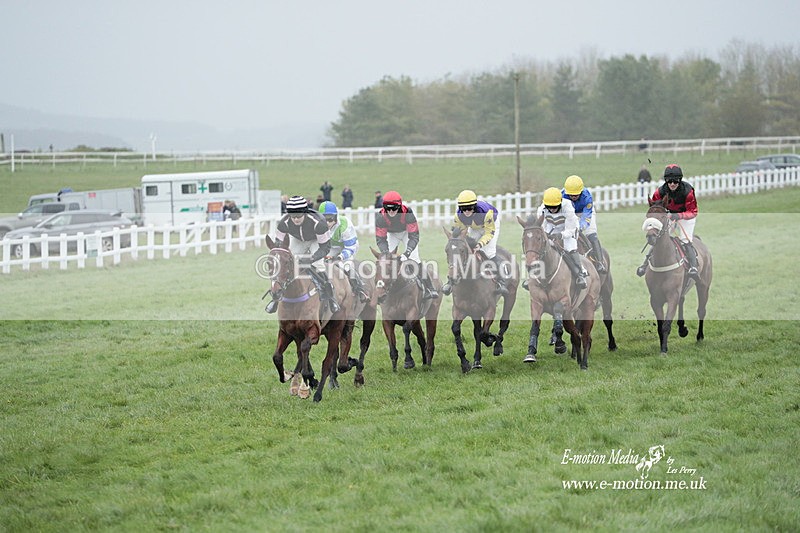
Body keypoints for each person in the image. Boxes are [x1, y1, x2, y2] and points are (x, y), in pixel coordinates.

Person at [264, 195, 340, 314]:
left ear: (305, 212)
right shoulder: (284, 223)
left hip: (316, 240)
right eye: (293, 216)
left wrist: (311, 259)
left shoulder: (319, 223)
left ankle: (331, 298)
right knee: (287, 265)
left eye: (299, 216)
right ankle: (276, 299)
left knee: (318, 265)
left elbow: (325, 248)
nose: (296, 219)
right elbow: (279, 245)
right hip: (297, 239)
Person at [442, 190, 508, 296]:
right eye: (464, 208)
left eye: (469, 207)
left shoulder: (486, 213)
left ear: (474, 206)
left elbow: (488, 233)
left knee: (489, 252)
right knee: (464, 250)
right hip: (474, 227)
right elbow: (459, 234)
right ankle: (451, 281)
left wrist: (480, 244)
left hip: (490, 227)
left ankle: (501, 282)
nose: (466, 211)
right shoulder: (458, 216)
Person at [638, 164, 699, 278]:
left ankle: (693, 267)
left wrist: (679, 215)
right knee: (659, 236)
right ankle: (645, 264)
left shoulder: (688, 191)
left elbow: (693, 211)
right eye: (669, 181)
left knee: (685, 240)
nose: (672, 184)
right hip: (669, 216)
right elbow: (655, 208)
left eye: (675, 181)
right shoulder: (659, 192)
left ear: (679, 180)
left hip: (686, 217)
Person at [375, 190, 438, 300]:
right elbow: (381, 239)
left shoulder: (407, 213)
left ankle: (430, 288)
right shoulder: (380, 216)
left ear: (399, 206)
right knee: (385, 262)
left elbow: (414, 236)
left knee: (414, 259)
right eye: (388, 208)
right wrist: (385, 253)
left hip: (407, 233)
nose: (391, 211)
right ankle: (383, 288)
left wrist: (407, 252)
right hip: (392, 234)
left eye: (394, 208)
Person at [532, 187, 588, 290]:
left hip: (569, 229)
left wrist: (560, 236)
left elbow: (570, 229)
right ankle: (534, 276)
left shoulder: (568, 207)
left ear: (560, 202)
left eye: (555, 206)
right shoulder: (541, 210)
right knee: (541, 248)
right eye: (549, 206)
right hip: (551, 228)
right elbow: (543, 226)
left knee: (569, 247)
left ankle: (580, 273)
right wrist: (546, 235)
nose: (552, 209)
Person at [320, 201, 368, 302]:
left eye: (330, 219)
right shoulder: (318, 225)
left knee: (346, 266)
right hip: (332, 247)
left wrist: (340, 257)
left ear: (336, 216)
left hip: (349, 247)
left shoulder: (345, 224)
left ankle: (360, 290)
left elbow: (350, 247)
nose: (327, 223)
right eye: (324, 219)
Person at [562, 175, 606, 274]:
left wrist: (580, 227)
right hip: (569, 213)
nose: (573, 197)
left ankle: (599, 262)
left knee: (591, 234)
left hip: (584, 213)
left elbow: (586, 217)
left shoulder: (587, 197)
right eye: (570, 195)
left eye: (576, 195)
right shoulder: (561, 195)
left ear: (581, 192)